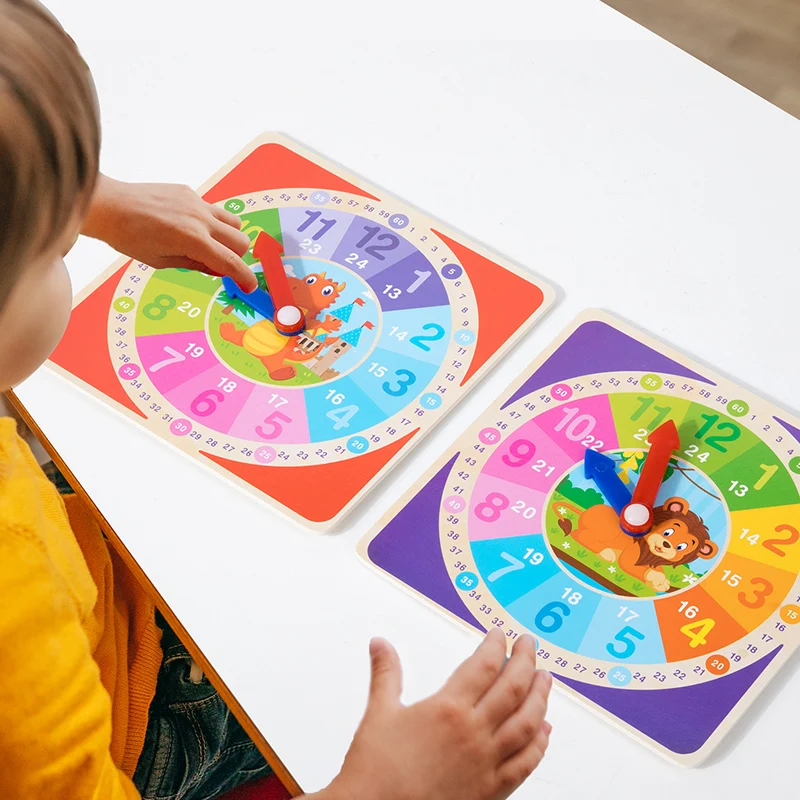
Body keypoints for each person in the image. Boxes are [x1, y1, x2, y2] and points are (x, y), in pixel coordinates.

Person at [0, 2, 553, 799]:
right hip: (129, 721)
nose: (71, 246)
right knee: (330, 663)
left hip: (72, 588)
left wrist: (89, 198)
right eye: (55, 246)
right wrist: (387, 788)